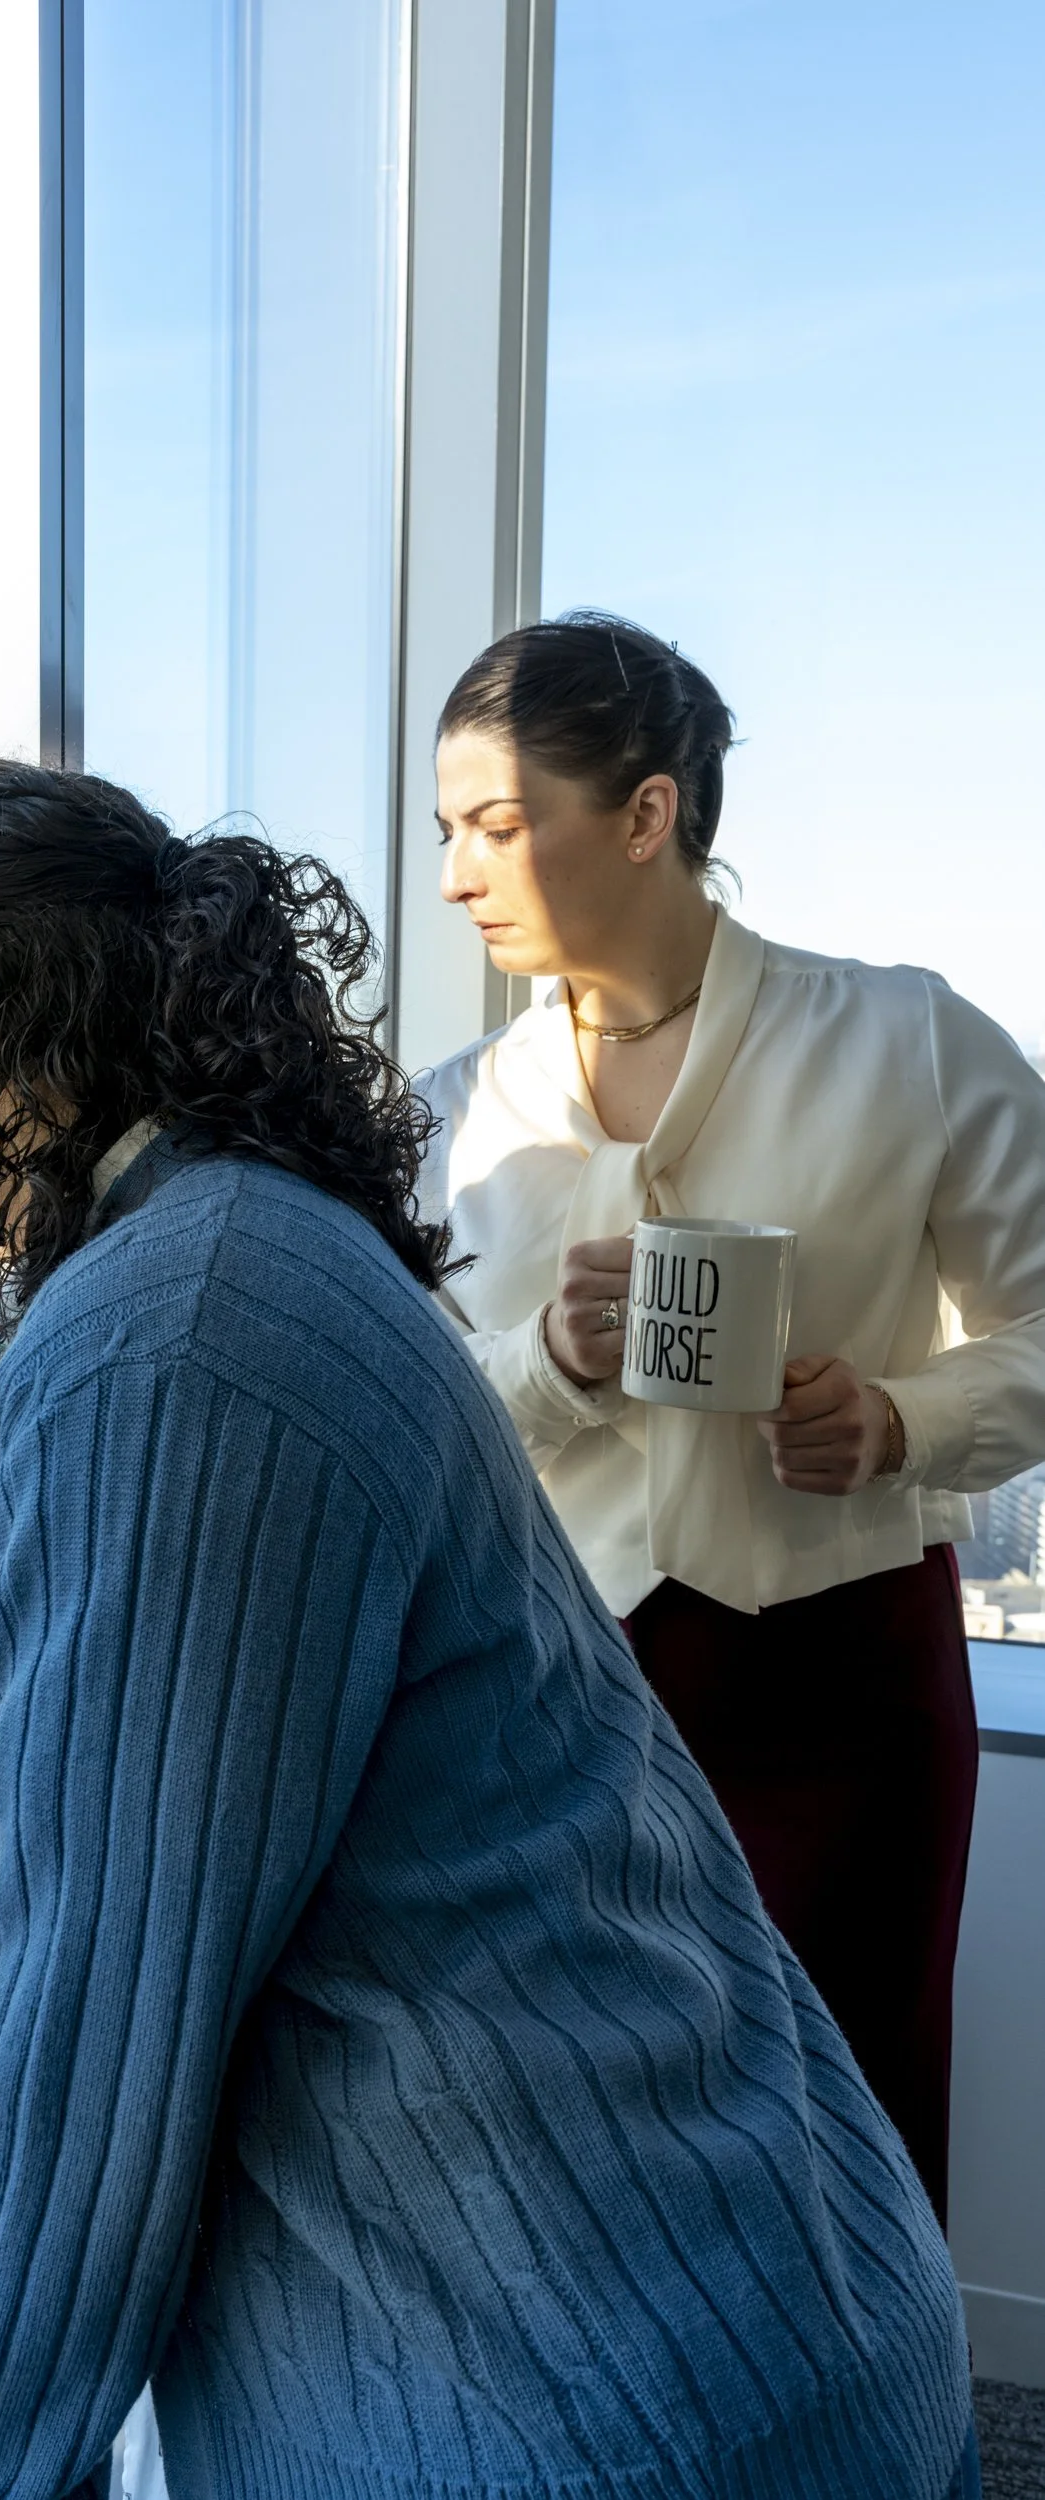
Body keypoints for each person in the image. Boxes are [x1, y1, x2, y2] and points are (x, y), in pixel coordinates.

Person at [0, 757, 979, 2500]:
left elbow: (98, 2023)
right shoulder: (253, 1239)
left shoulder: (164, 1343)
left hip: (594, 2405)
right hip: (732, 2301)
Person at [422, 608, 1045, 2232]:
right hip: (547, 1708)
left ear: (647, 812)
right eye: (444, 832)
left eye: (494, 826)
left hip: (839, 1689)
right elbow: (415, 1424)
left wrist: (901, 1421)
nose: (455, 877)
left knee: (844, 2145)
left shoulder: (908, 1039)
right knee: (573, 2157)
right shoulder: (450, 1115)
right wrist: (547, 1364)